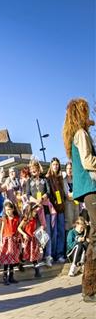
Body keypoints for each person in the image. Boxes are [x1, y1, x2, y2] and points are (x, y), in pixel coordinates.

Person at [62, 97, 96, 302]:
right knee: (95, 238)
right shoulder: (81, 134)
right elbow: (88, 161)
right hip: (91, 188)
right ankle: (90, 287)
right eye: (85, 111)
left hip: (86, 190)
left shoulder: (76, 134)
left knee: (93, 235)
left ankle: (90, 287)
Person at [26, 159, 53, 267]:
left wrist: (41, 198)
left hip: (45, 209)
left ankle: (48, 256)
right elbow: (27, 195)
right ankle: (37, 257)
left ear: (38, 169)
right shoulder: (29, 181)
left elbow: (49, 192)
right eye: (32, 170)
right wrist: (35, 201)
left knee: (47, 233)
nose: (34, 172)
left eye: (35, 169)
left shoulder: (44, 179)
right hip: (34, 211)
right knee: (37, 234)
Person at [46, 158, 67, 263]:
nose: (56, 166)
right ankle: (53, 254)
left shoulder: (60, 178)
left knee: (61, 231)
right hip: (52, 209)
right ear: (51, 165)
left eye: (57, 165)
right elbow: (48, 193)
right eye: (54, 164)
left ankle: (60, 254)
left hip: (61, 208)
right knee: (54, 233)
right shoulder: (48, 178)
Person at [0, 201, 21, 285]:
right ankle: (5, 277)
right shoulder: (4, 218)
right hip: (6, 240)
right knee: (6, 260)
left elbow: (17, 229)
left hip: (13, 240)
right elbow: (1, 230)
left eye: (9, 209)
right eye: (6, 210)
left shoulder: (16, 218)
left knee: (12, 260)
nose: (8, 212)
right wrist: (2, 241)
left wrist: (18, 238)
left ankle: (11, 276)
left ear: (13, 209)